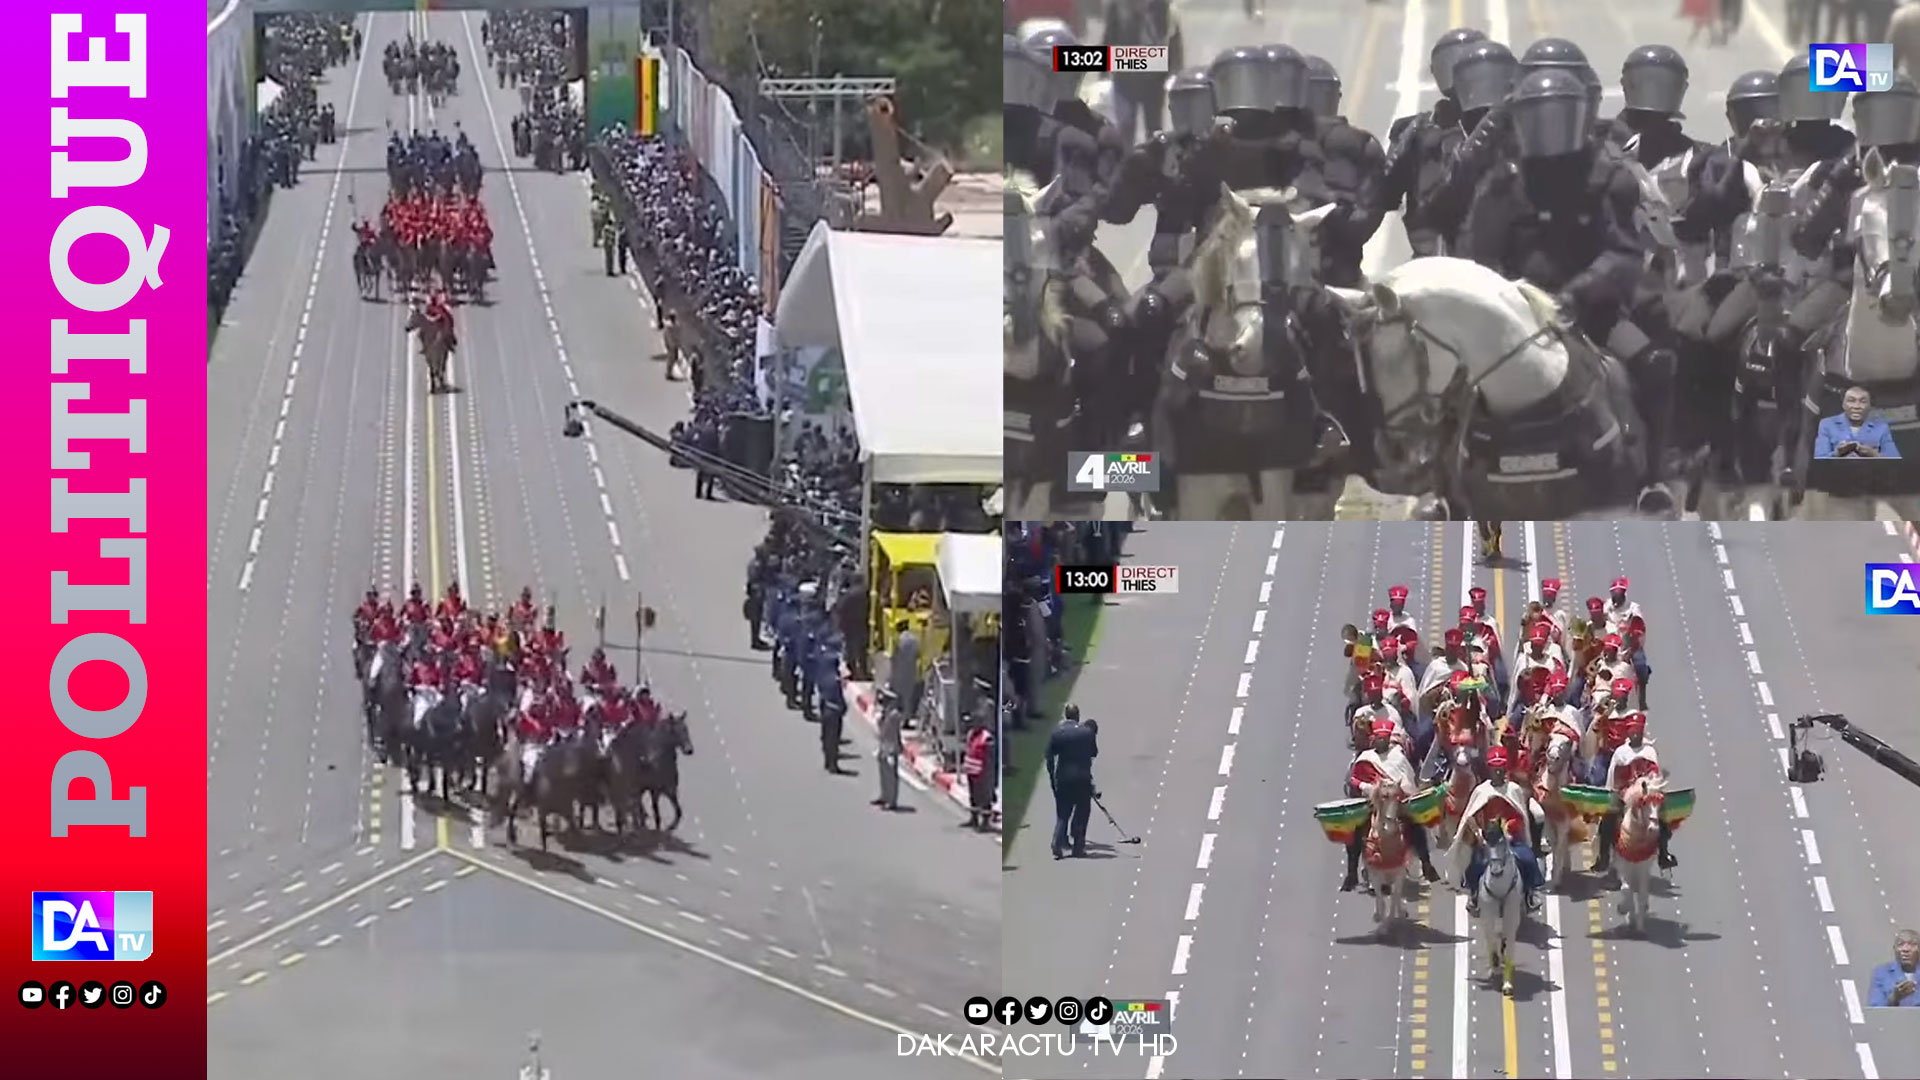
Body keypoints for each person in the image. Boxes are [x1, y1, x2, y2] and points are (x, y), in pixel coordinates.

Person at [1343, 719, 1442, 890]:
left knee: (1416, 825)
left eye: (1385, 738)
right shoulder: (1366, 758)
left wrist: (1401, 791)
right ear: (1374, 738)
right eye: (1379, 738)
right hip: (1372, 803)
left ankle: (1426, 863)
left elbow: (1408, 780)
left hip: (1396, 802)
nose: (1382, 741)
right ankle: (1351, 873)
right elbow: (1355, 781)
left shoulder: (1398, 757)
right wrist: (1366, 788)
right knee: (1354, 830)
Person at [1459, 746, 1543, 913]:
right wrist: (1478, 834)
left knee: (1528, 859)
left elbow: (1520, 814)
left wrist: (1509, 828)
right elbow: (1470, 815)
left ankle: (1530, 894)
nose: (1497, 772)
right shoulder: (1481, 790)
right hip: (1487, 839)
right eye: (1494, 769)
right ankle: (1474, 895)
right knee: (1474, 864)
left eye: (1500, 769)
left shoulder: (1514, 790)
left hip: (1511, 837)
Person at [1045, 704, 1100, 859]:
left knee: (1063, 813)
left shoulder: (1057, 733)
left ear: (1066, 715)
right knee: (1082, 812)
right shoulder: (1087, 733)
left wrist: (1052, 777)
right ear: (1077, 715)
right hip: (1082, 778)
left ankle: (1057, 840)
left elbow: (1049, 758)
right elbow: (1094, 753)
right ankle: (1078, 846)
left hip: (1063, 777)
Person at [1815, 385, 1901, 459]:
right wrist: (1838, 453)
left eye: (1863, 401)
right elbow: (1819, 460)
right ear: (1843, 404)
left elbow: (1895, 460)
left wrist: (1873, 454)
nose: (1856, 406)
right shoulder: (1827, 425)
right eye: (1851, 400)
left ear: (1870, 405)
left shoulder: (1881, 428)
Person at [1867, 929, 1920, 1006]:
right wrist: (1895, 997)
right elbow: (1875, 1009)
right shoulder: (1881, 973)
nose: (1905, 949)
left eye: (1912, 944)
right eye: (1900, 944)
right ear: (1894, 949)